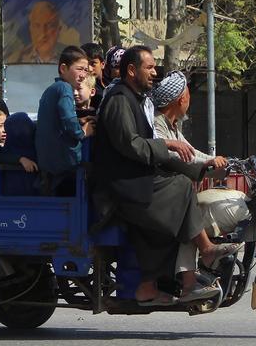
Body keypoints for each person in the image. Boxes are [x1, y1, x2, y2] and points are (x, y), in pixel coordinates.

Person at [93, 45, 239, 305]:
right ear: (131, 70)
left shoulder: (136, 99)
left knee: (170, 213)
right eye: (148, 67)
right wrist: (168, 146)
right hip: (119, 187)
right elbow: (131, 144)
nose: (153, 72)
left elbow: (178, 151)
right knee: (182, 188)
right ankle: (205, 251)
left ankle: (149, 288)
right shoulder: (119, 100)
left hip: (133, 180)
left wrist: (202, 165)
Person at [150, 70, 246, 296]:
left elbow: (192, 152)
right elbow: (177, 156)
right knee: (193, 214)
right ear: (181, 99)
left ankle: (204, 264)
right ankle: (192, 277)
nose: (189, 100)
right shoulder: (157, 125)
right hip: (158, 194)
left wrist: (219, 161)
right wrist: (210, 163)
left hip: (167, 191)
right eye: (189, 95)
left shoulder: (170, 125)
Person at [35, 46, 96, 196]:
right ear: (63, 68)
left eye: (86, 71)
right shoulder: (64, 89)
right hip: (63, 160)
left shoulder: (52, 88)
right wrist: (83, 131)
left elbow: (59, 120)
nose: (83, 75)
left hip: (48, 160)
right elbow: (69, 122)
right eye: (79, 69)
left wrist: (79, 120)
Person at [80, 42, 106, 108]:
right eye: (85, 64)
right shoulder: (79, 87)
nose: (89, 69)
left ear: (102, 64)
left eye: (93, 64)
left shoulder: (109, 83)